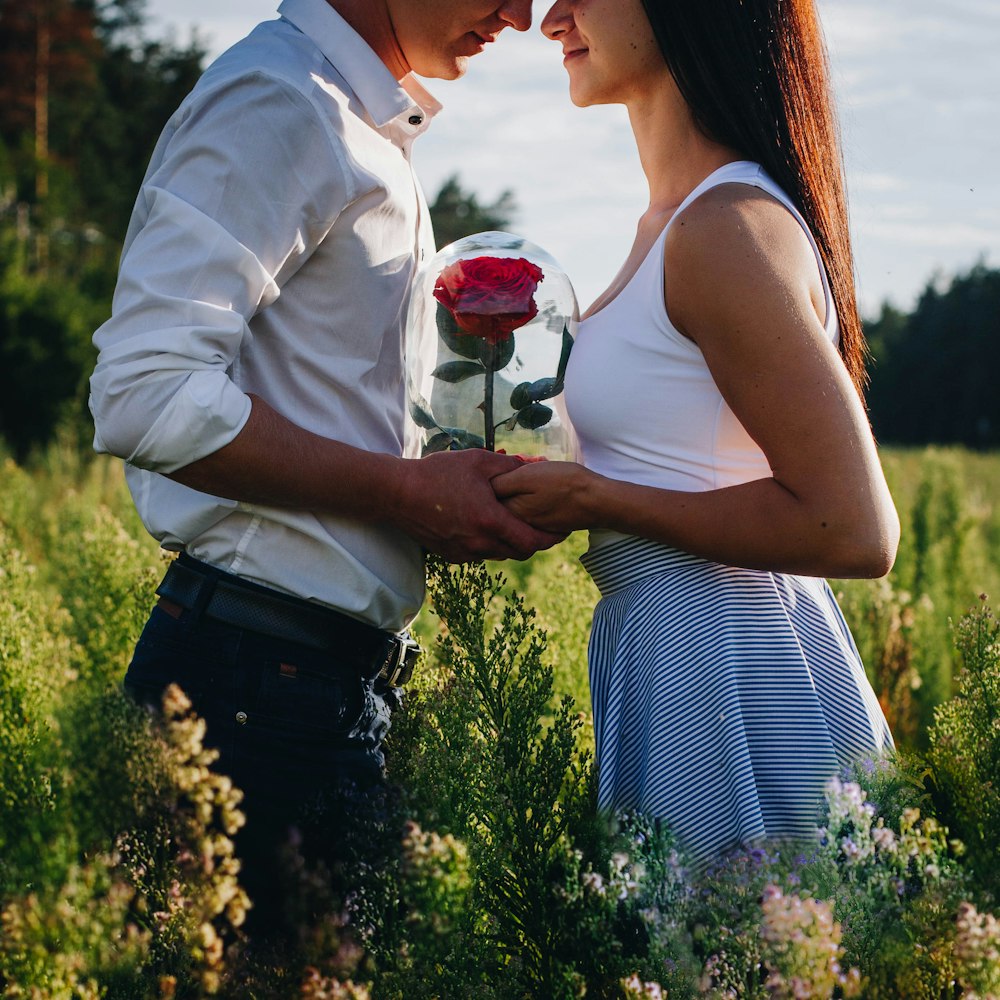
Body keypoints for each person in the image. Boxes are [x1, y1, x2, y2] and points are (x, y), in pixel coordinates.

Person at [88, 0, 557, 933]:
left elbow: (333, 403)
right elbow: (145, 388)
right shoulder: (282, 100)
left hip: (304, 683)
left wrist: (447, 472)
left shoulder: (363, 125)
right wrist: (402, 493)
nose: (523, 13)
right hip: (253, 686)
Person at [493, 0, 900, 868]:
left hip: (730, 659)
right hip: (675, 646)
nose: (550, 17)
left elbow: (855, 527)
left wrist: (597, 500)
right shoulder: (672, 226)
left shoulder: (723, 229)